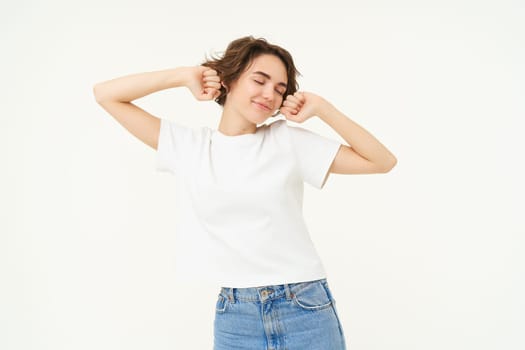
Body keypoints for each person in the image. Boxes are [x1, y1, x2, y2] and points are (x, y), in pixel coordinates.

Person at [93, 36, 396, 350]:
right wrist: (184, 75)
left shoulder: (288, 141)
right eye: (260, 80)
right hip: (236, 316)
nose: (270, 94)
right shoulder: (190, 147)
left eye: (280, 89)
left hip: (304, 307)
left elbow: (382, 161)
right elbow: (105, 95)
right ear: (229, 79)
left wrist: (322, 109)